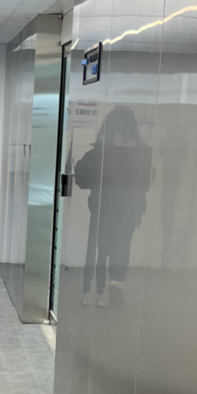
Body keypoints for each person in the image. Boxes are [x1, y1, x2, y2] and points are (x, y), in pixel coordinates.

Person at [73, 105, 153, 306]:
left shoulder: (102, 149)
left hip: (104, 206)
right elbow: (148, 180)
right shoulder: (141, 151)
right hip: (130, 208)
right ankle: (116, 284)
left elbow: (82, 176)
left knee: (103, 247)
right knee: (122, 246)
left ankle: (100, 289)